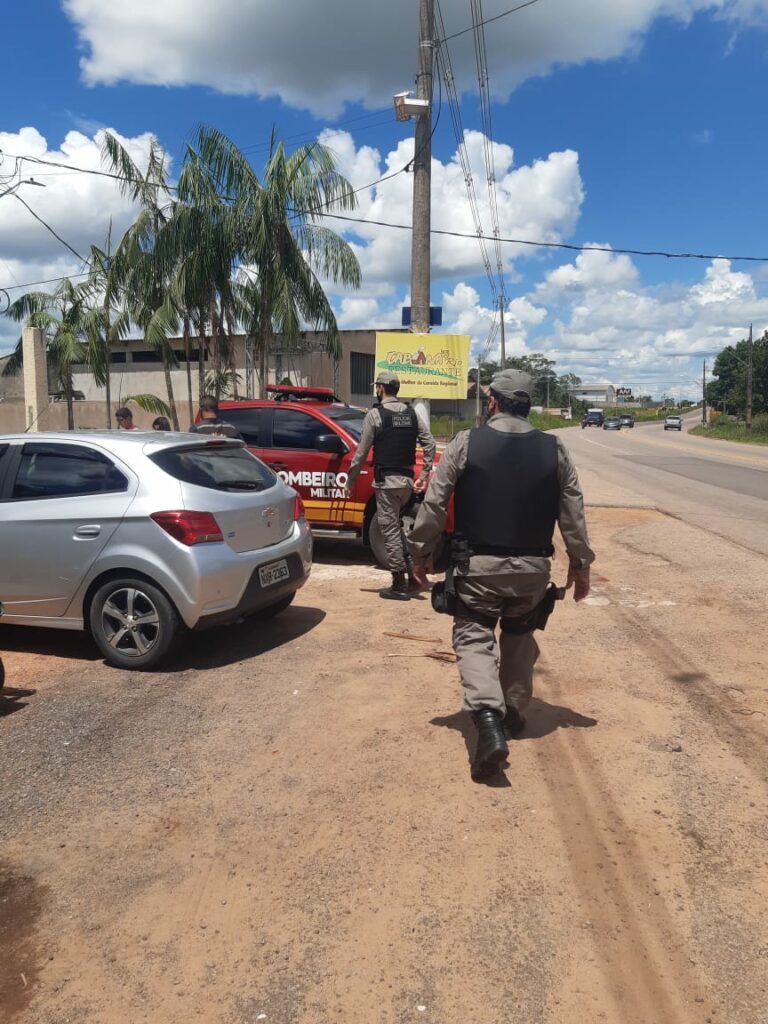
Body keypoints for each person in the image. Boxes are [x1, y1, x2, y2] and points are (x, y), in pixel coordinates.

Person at [407, 369, 594, 781]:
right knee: (519, 635)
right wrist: (580, 566)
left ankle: (489, 720)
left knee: (473, 636)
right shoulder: (554, 448)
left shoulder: (465, 443)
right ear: (527, 405)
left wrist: (419, 554)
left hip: (477, 569)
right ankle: (510, 711)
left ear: (492, 402)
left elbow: (435, 504)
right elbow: (573, 515)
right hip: (532, 570)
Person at [345, 371, 436, 600]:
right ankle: (412, 580)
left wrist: (351, 479)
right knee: (395, 528)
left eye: (377, 387)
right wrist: (424, 473)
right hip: (406, 483)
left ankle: (398, 585)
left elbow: (361, 453)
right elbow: (430, 443)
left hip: (386, 483)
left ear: (381, 389)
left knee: (390, 531)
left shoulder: (375, 415)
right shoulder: (411, 414)